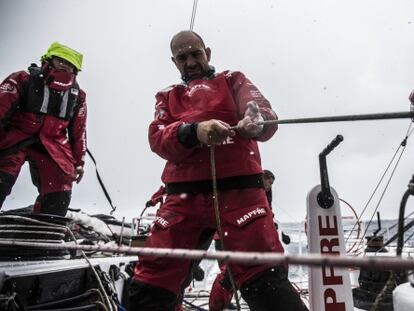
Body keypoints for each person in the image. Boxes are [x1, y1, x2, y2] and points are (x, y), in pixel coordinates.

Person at [129, 30, 306, 310]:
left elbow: (264, 115)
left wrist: (256, 120)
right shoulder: (167, 97)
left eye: (195, 54)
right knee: (151, 283)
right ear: (174, 62)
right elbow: (158, 138)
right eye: (182, 57)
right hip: (181, 203)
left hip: (240, 197)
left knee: (265, 279)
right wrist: (194, 131)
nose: (190, 62)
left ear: (207, 53)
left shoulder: (233, 80)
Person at [0, 42, 87, 216]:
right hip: (14, 138)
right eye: (60, 61)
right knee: (3, 176)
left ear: (75, 71)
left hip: (52, 145)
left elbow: (79, 131)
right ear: (47, 60)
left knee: (60, 183)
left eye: (70, 64)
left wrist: (79, 162)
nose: (64, 66)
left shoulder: (78, 96)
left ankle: (47, 230)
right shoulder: (22, 80)